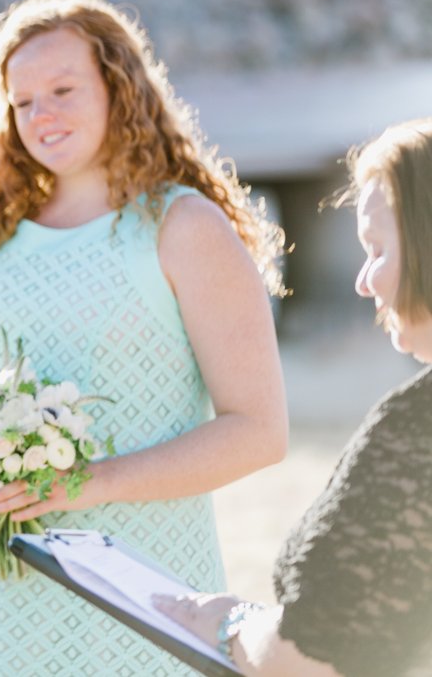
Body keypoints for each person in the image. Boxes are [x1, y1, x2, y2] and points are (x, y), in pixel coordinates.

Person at [0, 0, 289, 675]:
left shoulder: (182, 227)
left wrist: (90, 482)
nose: (41, 115)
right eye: (21, 103)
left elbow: (259, 430)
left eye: (62, 89)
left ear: (120, 87)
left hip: (139, 599)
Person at [156, 117, 432, 677]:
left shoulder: (416, 429)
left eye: (377, 249)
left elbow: (304, 659)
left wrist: (230, 623)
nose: (363, 281)